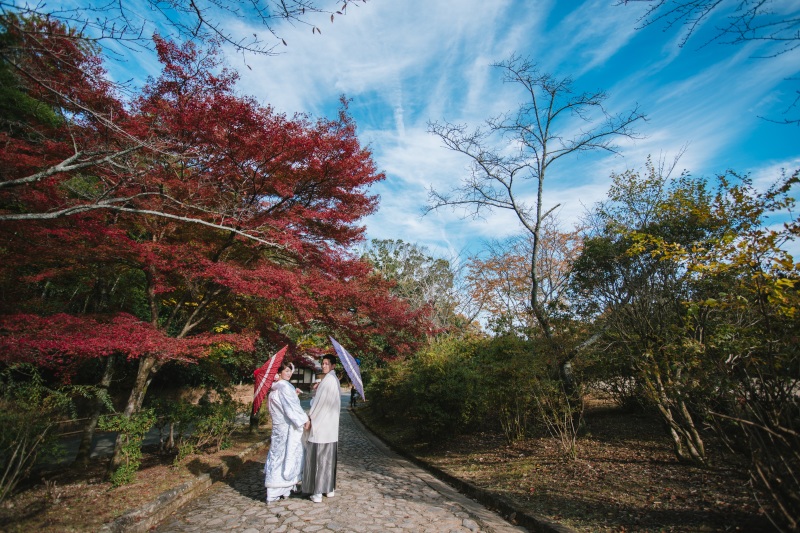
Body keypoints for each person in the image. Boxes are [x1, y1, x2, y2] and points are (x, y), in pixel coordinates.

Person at [263, 362, 310, 503]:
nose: (289, 373)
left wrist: (294, 394)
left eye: (290, 371)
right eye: (286, 371)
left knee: (277, 454)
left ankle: (280, 488)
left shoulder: (275, 388)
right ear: (280, 372)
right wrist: (304, 419)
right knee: (288, 454)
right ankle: (280, 486)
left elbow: (283, 405)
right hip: (286, 427)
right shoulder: (284, 386)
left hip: (278, 428)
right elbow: (291, 408)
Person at [302, 354, 341, 503]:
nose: (323, 366)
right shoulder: (333, 380)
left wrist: (310, 417)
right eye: (323, 363)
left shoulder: (328, 381)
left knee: (318, 459)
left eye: (326, 363)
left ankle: (317, 491)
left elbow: (319, 404)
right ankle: (328, 488)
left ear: (333, 366)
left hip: (321, 427)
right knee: (328, 460)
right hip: (330, 428)